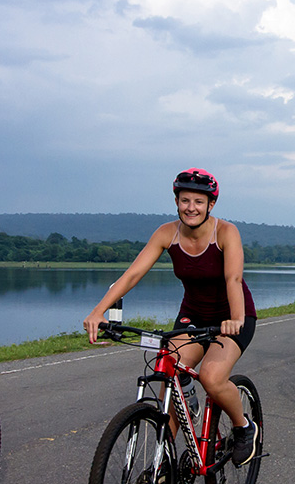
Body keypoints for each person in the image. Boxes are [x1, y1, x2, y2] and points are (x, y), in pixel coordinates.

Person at [82, 169, 259, 466]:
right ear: (176, 201)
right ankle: (163, 461)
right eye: (185, 200)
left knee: (211, 378)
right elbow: (133, 274)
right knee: (171, 372)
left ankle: (243, 427)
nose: (191, 207)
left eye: (199, 201)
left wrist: (236, 317)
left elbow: (233, 278)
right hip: (193, 315)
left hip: (232, 316)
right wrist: (99, 311)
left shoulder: (226, 232)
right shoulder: (167, 233)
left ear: (210, 205)